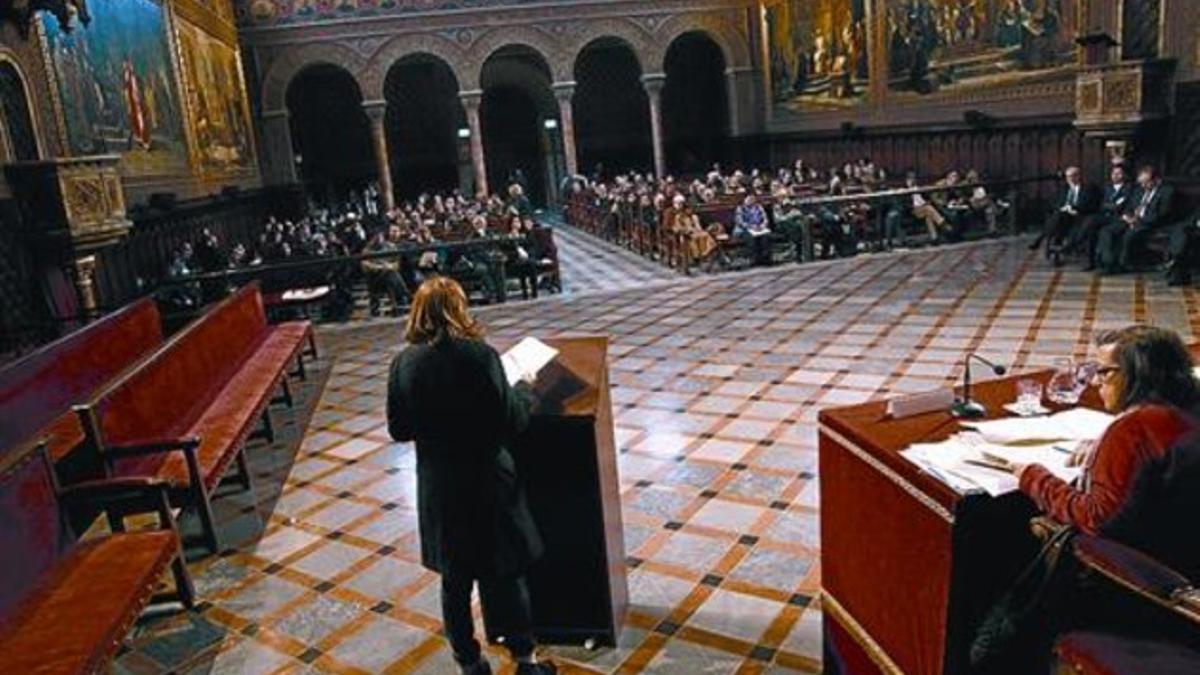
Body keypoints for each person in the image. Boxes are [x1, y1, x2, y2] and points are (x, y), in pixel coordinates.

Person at [387, 277, 555, 675]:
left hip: (440, 488)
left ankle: (470, 664)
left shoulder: (404, 363)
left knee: (454, 582)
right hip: (487, 483)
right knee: (506, 574)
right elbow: (511, 420)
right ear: (458, 309)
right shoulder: (480, 356)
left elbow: (399, 429)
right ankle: (525, 662)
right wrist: (526, 390)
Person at [1009, 325, 1199, 535]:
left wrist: (1034, 478)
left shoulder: (1133, 428)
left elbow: (1094, 518)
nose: (1094, 381)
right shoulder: (1189, 403)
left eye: (1105, 372)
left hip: (1146, 557)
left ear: (1138, 374)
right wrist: (1103, 450)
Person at [1097, 166, 1174, 274]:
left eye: (1146, 183)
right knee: (1106, 231)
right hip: (1131, 220)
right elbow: (1129, 206)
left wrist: (1138, 221)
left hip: (1149, 223)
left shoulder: (1166, 191)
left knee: (1129, 234)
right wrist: (1127, 217)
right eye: (1141, 183)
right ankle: (1108, 262)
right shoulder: (1139, 190)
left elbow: (1162, 214)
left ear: (1156, 180)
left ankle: (1121, 264)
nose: (1143, 186)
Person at [1073, 165, 1133, 272]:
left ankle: (1075, 242)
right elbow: (1101, 204)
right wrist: (1112, 205)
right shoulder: (1107, 188)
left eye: (1119, 173)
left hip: (1119, 218)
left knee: (1093, 221)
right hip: (1104, 216)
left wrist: (1111, 206)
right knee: (1091, 227)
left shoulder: (1129, 188)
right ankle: (1090, 261)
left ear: (1124, 175)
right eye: (1113, 173)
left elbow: (1121, 207)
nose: (1115, 176)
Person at [1030, 167, 1096, 262]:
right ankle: (1050, 241)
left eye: (1073, 176)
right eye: (1068, 177)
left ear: (1078, 176)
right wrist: (1063, 207)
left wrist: (1075, 208)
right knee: (1058, 216)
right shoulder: (1064, 189)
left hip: (1080, 215)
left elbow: (1090, 204)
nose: (1070, 179)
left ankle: (1041, 238)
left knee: (1058, 217)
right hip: (1064, 216)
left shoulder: (1088, 188)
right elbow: (1055, 202)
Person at [734, 194, 772, 266]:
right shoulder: (741, 208)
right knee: (751, 238)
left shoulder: (759, 207)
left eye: (752, 199)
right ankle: (754, 259)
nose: (750, 201)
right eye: (748, 199)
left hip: (760, 228)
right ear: (744, 200)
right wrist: (752, 227)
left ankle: (766, 259)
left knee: (766, 236)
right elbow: (740, 222)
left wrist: (762, 225)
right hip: (745, 229)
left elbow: (765, 218)